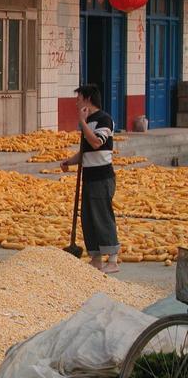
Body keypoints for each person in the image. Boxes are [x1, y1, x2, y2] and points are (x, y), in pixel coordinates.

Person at [61, 84, 120, 273]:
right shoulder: (88, 121)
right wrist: (69, 161)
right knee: (88, 217)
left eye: (78, 98)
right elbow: (85, 151)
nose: (76, 102)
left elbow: (95, 142)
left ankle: (113, 259)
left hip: (102, 177)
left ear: (87, 99)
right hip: (89, 177)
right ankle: (96, 258)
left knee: (102, 216)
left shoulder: (104, 119)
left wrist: (82, 122)